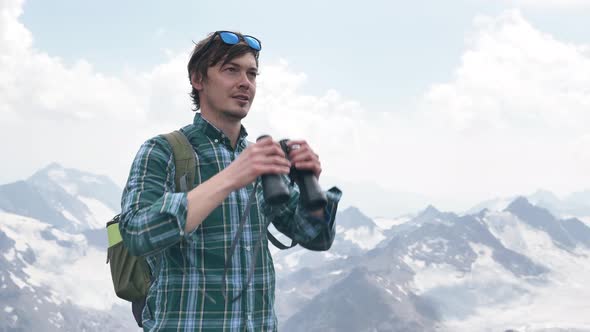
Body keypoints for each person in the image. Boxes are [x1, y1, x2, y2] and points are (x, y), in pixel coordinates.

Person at [119, 30, 341, 331]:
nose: (244, 83)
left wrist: (310, 187)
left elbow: (316, 237)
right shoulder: (163, 151)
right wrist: (230, 177)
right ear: (198, 80)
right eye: (230, 70)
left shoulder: (259, 159)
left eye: (251, 73)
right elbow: (136, 234)